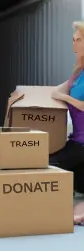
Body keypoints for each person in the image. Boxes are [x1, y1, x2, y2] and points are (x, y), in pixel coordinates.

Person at [50, 21, 84, 225]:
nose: (74, 43)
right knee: (79, 187)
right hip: (76, 141)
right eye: (73, 40)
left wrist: (66, 99)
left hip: (82, 145)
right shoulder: (78, 71)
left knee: (45, 164)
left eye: (78, 40)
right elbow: (59, 89)